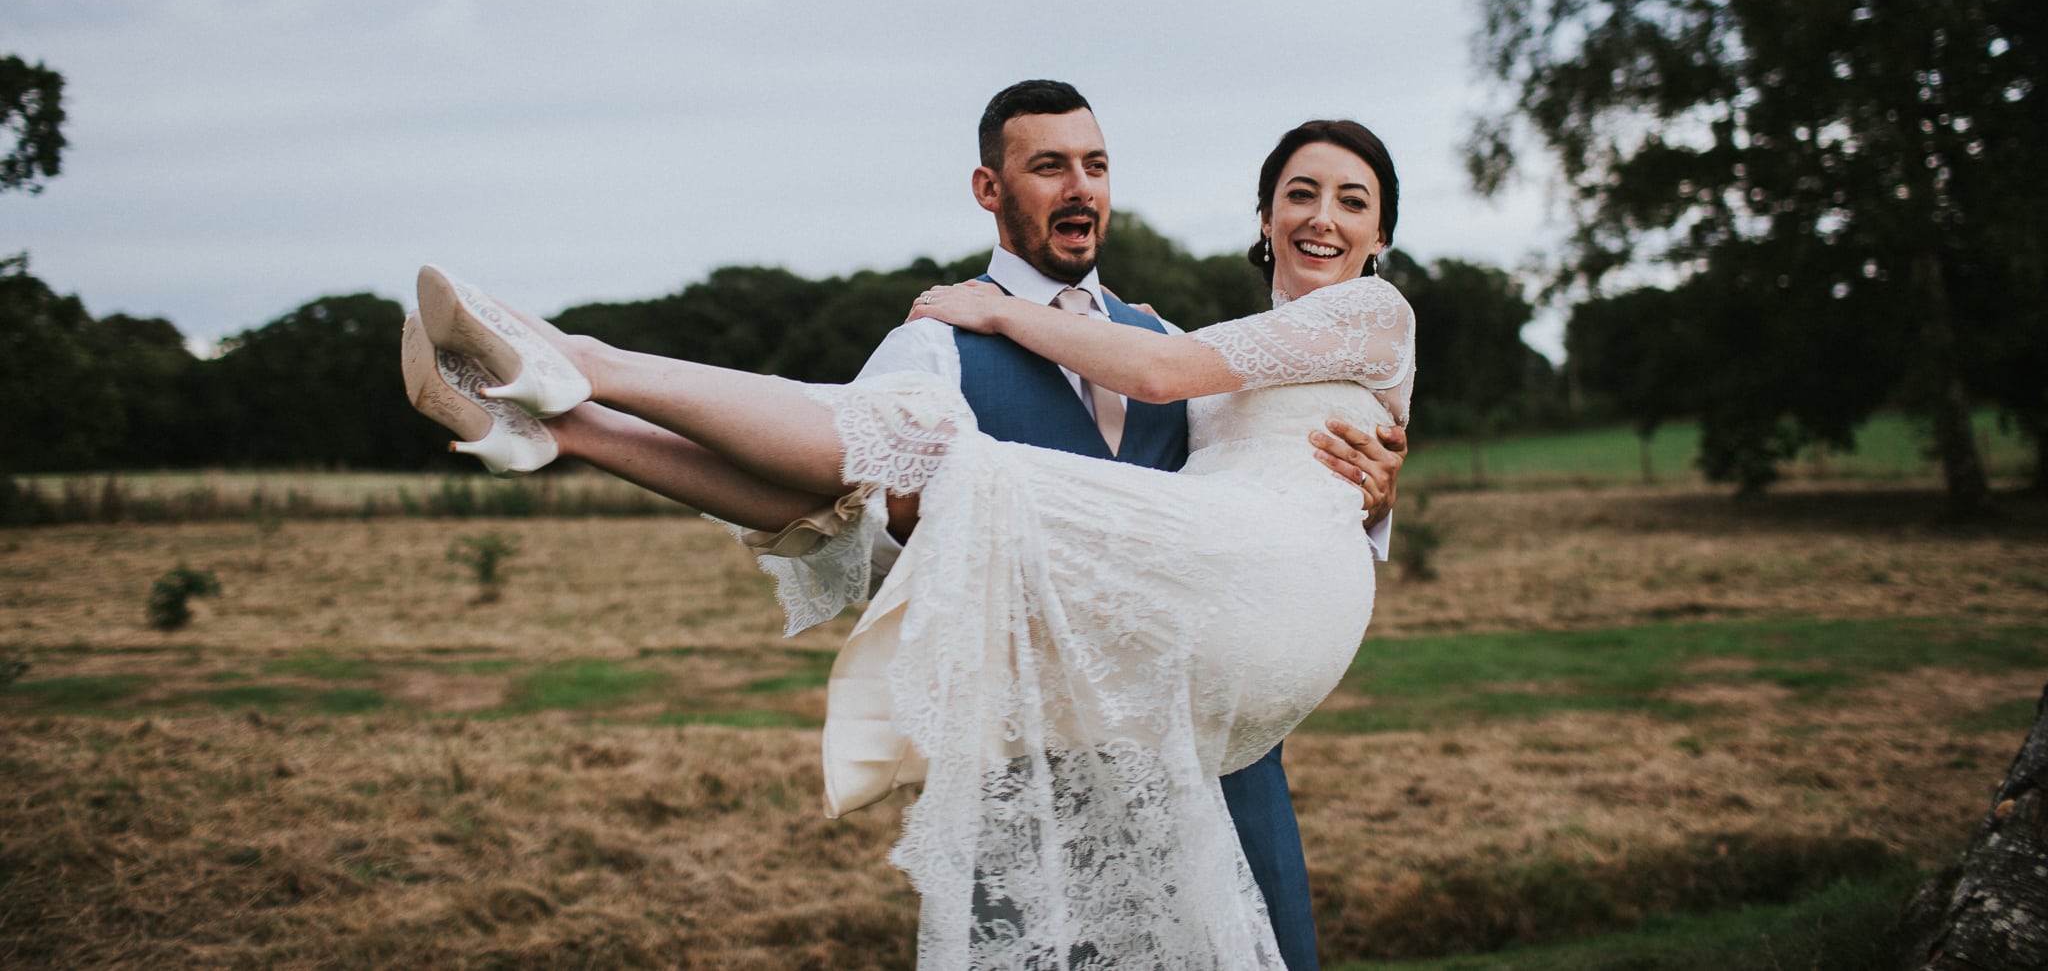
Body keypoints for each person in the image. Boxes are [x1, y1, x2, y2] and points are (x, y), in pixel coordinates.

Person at [402, 103, 1413, 970]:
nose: (1078, 188)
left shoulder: (1163, 343)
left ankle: (575, 387)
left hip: (1210, 751)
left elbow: (1258, 486)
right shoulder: (937, 335)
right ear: (990, 187)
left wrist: (1372, 496)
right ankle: (567, 416)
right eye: (1048, 166)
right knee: (890, 464)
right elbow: (850, 516)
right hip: (1033, 771)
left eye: (1094, 166)